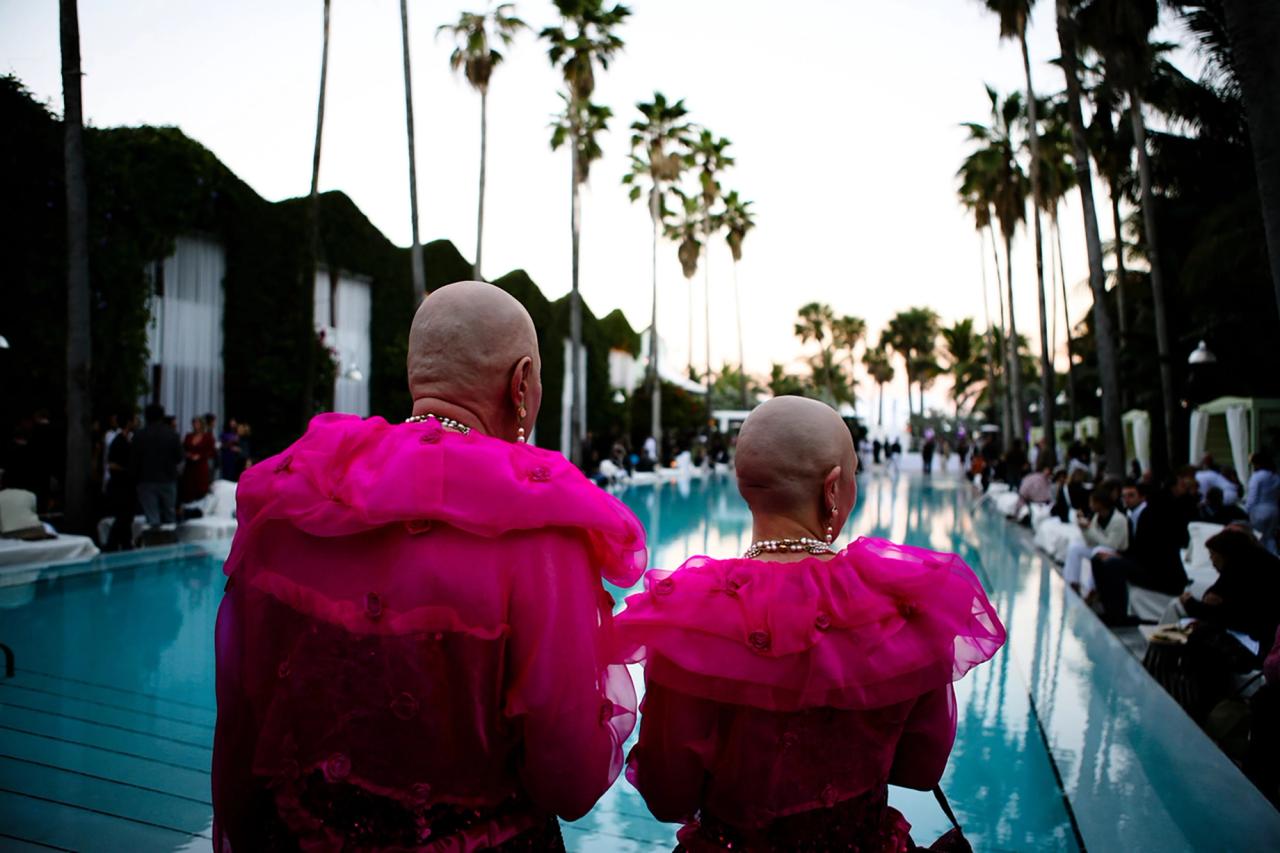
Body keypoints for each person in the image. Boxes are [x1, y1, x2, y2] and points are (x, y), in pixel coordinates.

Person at [212, 282, 647, 850]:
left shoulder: (296, 497)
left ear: (418, 374)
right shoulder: (540, 531)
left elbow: (244, 732)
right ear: (521, 384)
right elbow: (566, 779)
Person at [616, 397, 1005, 851]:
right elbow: (921, 769)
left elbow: (667, 795)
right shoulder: (899, 605)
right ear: (833, 487)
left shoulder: (691, 620)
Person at [1092, 479, 1191, 624]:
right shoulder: (1132, 515)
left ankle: (1118, 616)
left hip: (1160, 572)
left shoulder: (1150, 516)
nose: (1126, 500)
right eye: (1124, 496)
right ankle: (1108, 609)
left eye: (1131, 495)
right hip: (1145, 564)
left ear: (1142, 497)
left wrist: (1120, 557)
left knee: (1112, 564)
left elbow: (1150, 552)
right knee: (1098, 559)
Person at [1062, 489, 1129, 597]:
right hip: (1099, 548)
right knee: (1075, 547)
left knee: (1098, 551)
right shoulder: (1097, 516)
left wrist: (1090, 529)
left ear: (1099, 504)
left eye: (1092, 502)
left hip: (1116, 553)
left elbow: (1111, 545)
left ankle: (1092, 591)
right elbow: (1090, 542)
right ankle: (1072, 583)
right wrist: (1083, 529)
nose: (1090, 505)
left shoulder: (1119, 520)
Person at [131, 404, 182, 530]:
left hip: (146, 479)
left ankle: (154, 543)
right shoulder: (171, 434)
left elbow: (134, 459)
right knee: (169, 514)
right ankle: (170, 543)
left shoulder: (139, 435)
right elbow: (179, 457)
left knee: (152, 517)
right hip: (168, 478)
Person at [104, 413, 138, 550]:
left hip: (126, 484)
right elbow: (111, 464)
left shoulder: (125, 439)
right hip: (121, 485)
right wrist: (127, 470)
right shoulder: (119, 441)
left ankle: (125, 543)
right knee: (124, 516)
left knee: (126, 516)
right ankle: (112, 544)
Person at [1247, 451, 1280, 554]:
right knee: (1270, 538)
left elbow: (1252, 496)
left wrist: (1247, 509)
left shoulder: (1257, 476)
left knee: (1258, 537)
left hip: (1259, 510)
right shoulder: (1276, 477)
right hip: (1274, 510)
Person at [180, 416, 216, 504]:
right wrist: (187, 454)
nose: (195, 425)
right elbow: (183, 449)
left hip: (201, 466)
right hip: (190, 466)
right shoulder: (188, 436)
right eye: (194, 423)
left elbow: (212, 452)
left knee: (201, 487)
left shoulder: (207, 437)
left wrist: (201, 456)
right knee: (188, 487)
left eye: (197, 423)